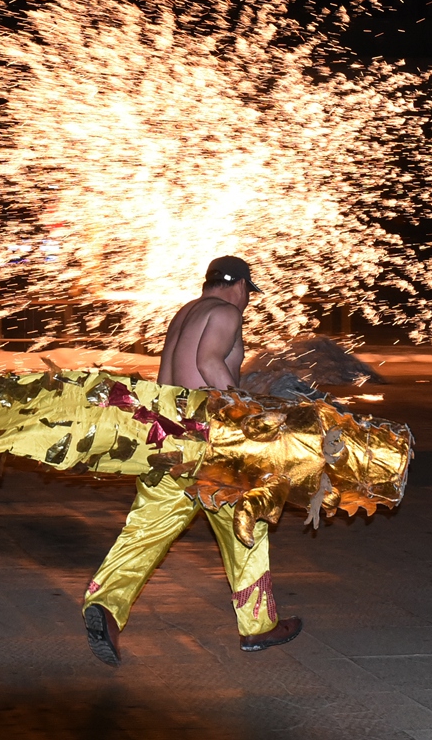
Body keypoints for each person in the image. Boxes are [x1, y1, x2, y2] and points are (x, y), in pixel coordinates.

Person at [82, 256, 302, 665]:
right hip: (211, 439)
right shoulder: (226, 312)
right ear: (238, 286)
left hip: (169, 436)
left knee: (145, 531)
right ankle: (257, 625)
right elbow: (208, 363)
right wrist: (248, 411)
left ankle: (106, 608)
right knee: (246, 525)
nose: (248, 303)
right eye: (248, 294)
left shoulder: (186, 313)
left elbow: (174, 376)